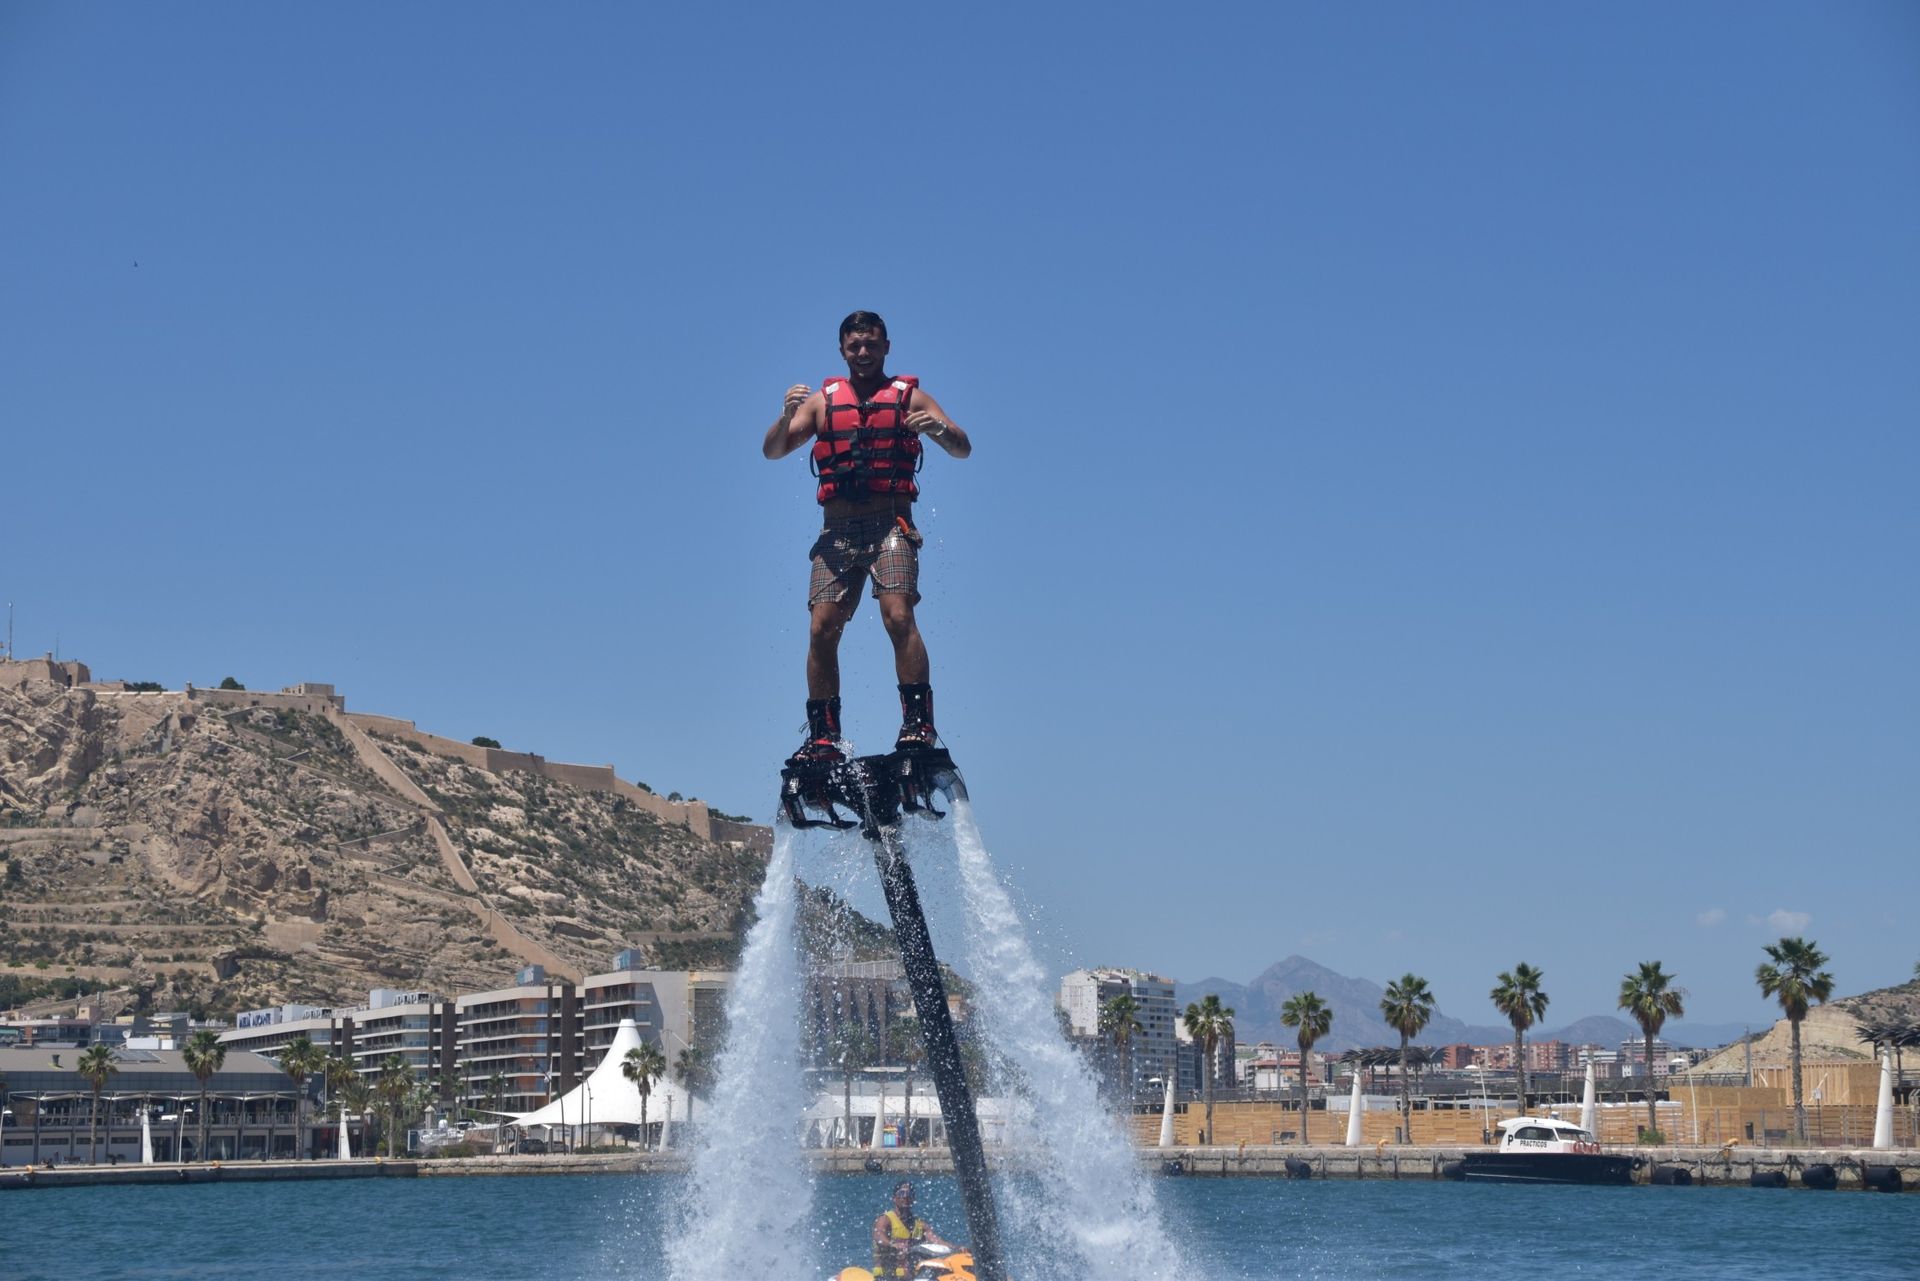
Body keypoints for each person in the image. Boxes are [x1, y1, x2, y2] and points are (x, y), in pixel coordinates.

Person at [764, 311, 971, 766]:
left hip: (890, 526)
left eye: (871, 345)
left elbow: (962, 447)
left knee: (897, 615)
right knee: (821, 628)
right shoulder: (820, 403)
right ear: (842, 350)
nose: (863, 353)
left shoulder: (910, 397)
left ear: (886, 347)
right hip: (837, 533)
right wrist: (784, 418)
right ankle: (823, 737)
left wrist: (938, 429)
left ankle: (918, 724)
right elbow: (773, 450)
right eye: (854, 346)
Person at [871, 1179, 953, 1278]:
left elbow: (937, 1241)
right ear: (894, 1198)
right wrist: (893, 1244)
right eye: (901, 1193)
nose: (905, 1196)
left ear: (913, 1199)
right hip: (886, 1277)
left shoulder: (920, 1225)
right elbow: (878, 1236)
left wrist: (956, 1248)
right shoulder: (885, 1220)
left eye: (909, 1194)